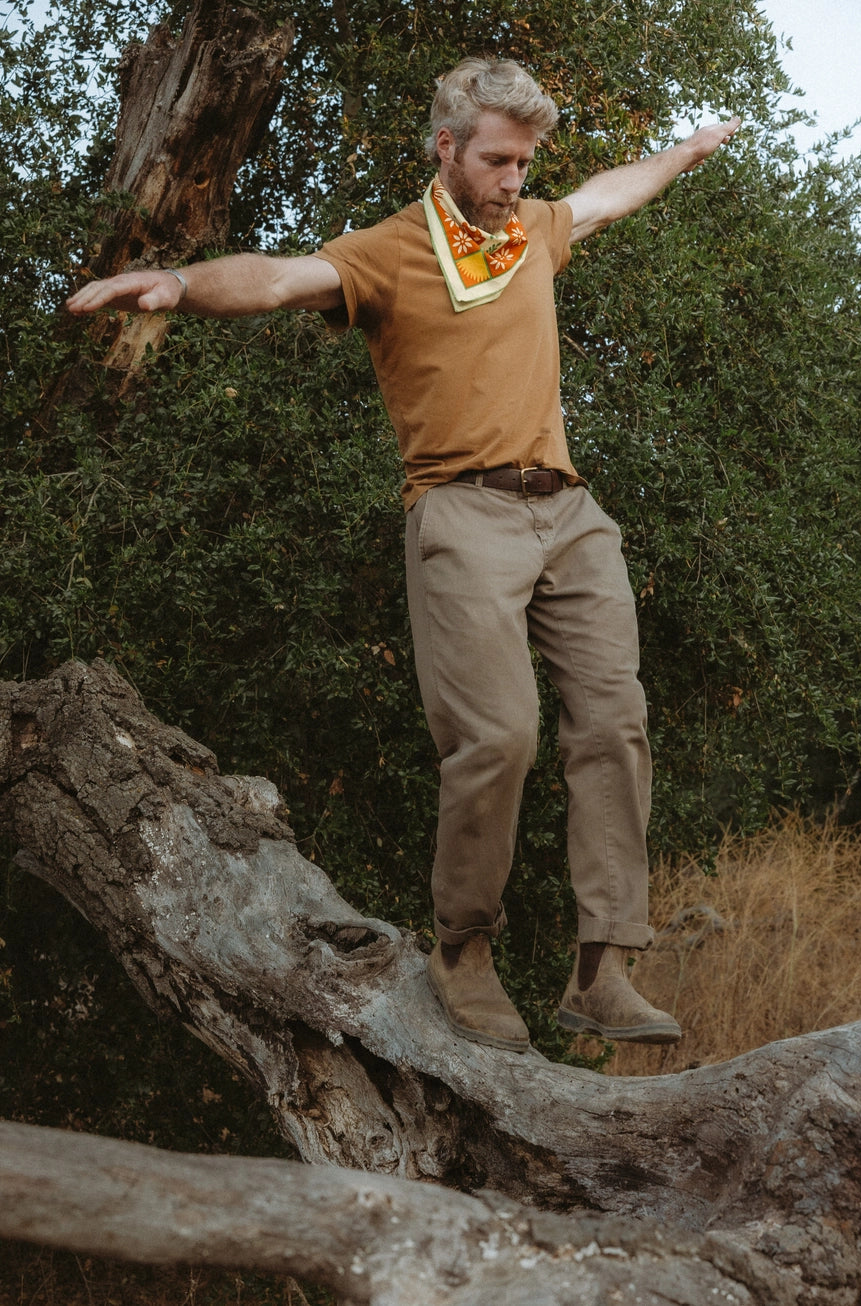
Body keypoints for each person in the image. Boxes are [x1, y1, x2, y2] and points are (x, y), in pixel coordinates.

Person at [68, 58, 740, 1055]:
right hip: (462, 514)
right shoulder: (390, 251)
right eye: (499, 160)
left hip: (570, 512)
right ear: (446, 147)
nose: (516, 179)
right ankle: (463, 952)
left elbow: (611, 194)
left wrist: (685, 151)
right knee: (499, 736)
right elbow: (281, 278)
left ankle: (603, 970)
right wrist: (181, 285)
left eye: (526, 162)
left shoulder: (534, 230)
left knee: (615, 722)